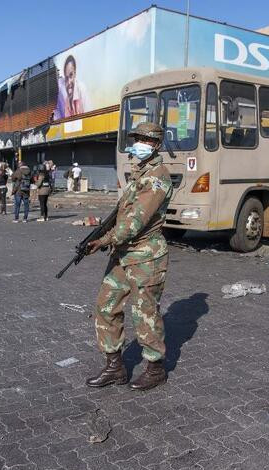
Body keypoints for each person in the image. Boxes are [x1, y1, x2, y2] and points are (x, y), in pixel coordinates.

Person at [85, 122, 174, 391]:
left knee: (144, 313)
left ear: (156, 145)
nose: (139, 144)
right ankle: (115, 367)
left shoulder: (157, 178)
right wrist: (101, 232)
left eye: (145, 140)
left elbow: (135, 222)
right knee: (105, 305)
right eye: (137, 138)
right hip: (123, 254)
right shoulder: (139, 173)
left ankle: (155, 369)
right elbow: (123, 214)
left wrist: (104, 239)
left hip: (146, 256)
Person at [54, 55, 88, 119]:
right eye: (66, 78)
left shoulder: (82, 89)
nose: (69, 82)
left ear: (75, 73)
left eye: (71, 75)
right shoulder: (61, 93)